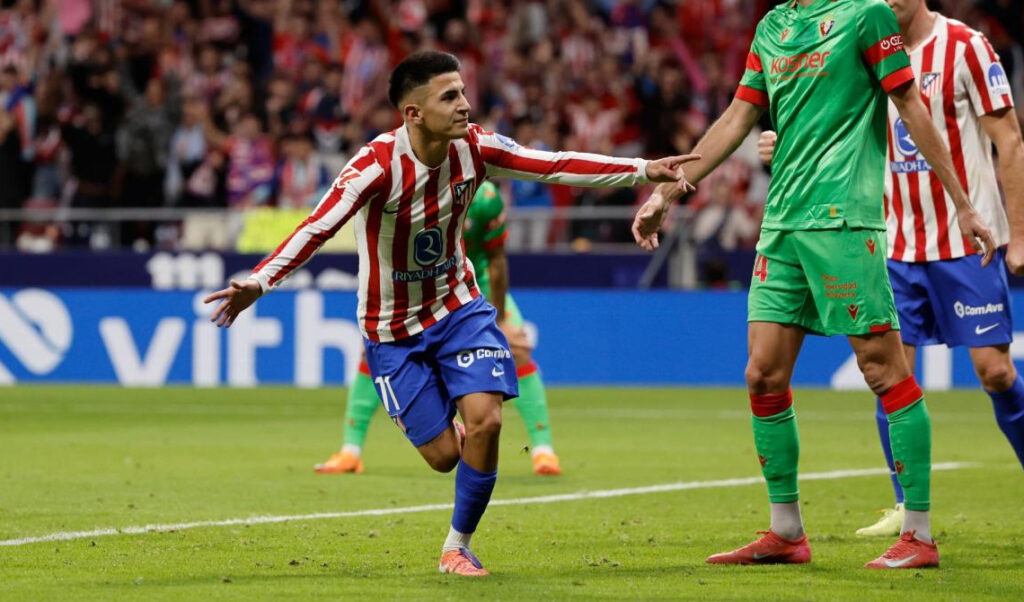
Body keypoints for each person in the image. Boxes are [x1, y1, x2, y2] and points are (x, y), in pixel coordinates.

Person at [205, 50, 697, 577]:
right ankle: (454, 436)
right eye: (449, 96)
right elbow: (317, 227)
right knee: (444, 456)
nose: (464, 104)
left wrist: (642, 170)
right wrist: (261, 281)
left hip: (458, 307)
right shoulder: (374, 167)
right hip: (391, 329)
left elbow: (553, 164)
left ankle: (456, 547)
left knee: (487, 421)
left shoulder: (475, 147)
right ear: (413, 113)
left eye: (462, 92)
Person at [632, 0, 996, 569]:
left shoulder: (867, 15)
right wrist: (667, 191)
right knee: (762, 373)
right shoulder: (773, 26)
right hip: (781, 226)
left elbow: (910, 106)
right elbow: (736, 118)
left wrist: (963, 204)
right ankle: (786, 531)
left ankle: (920, 535)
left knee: (884, 369)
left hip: (843, 222)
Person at [758, 0, 1024, 538]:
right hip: (891, 241)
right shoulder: (855, 41)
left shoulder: (967, 47)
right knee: (889, 371)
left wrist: (1018, 234)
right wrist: (782, 140)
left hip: (962, 241)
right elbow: (828, 123)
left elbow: (1010, 141)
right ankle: (906, 506)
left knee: (995, 372)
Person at [316, 181, 563, 477]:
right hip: (419, 292)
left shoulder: (484, 197)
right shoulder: (408, 187)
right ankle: (350, 451)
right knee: (370, 355)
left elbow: (496, 259)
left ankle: (543, 450)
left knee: (517, 348)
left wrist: (499, 319)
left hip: (475, 286)